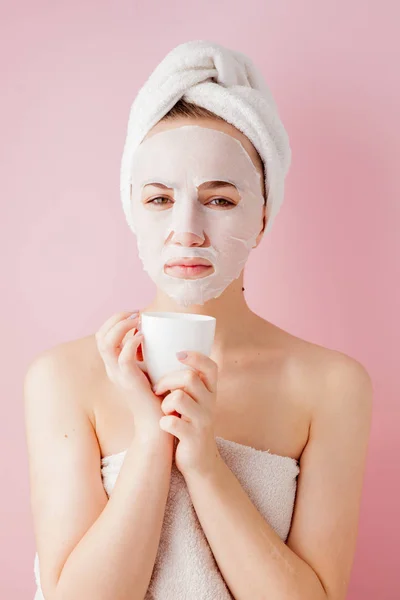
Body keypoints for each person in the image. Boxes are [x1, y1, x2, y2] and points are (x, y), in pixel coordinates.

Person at [24, 41, 373, 600]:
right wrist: (150, 441)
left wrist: (205, 464)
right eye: (160, 199)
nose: (186, 229)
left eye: (220, 199)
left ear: (262, 216)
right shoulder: (63, 377)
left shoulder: (332, 385)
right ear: (132, 210)